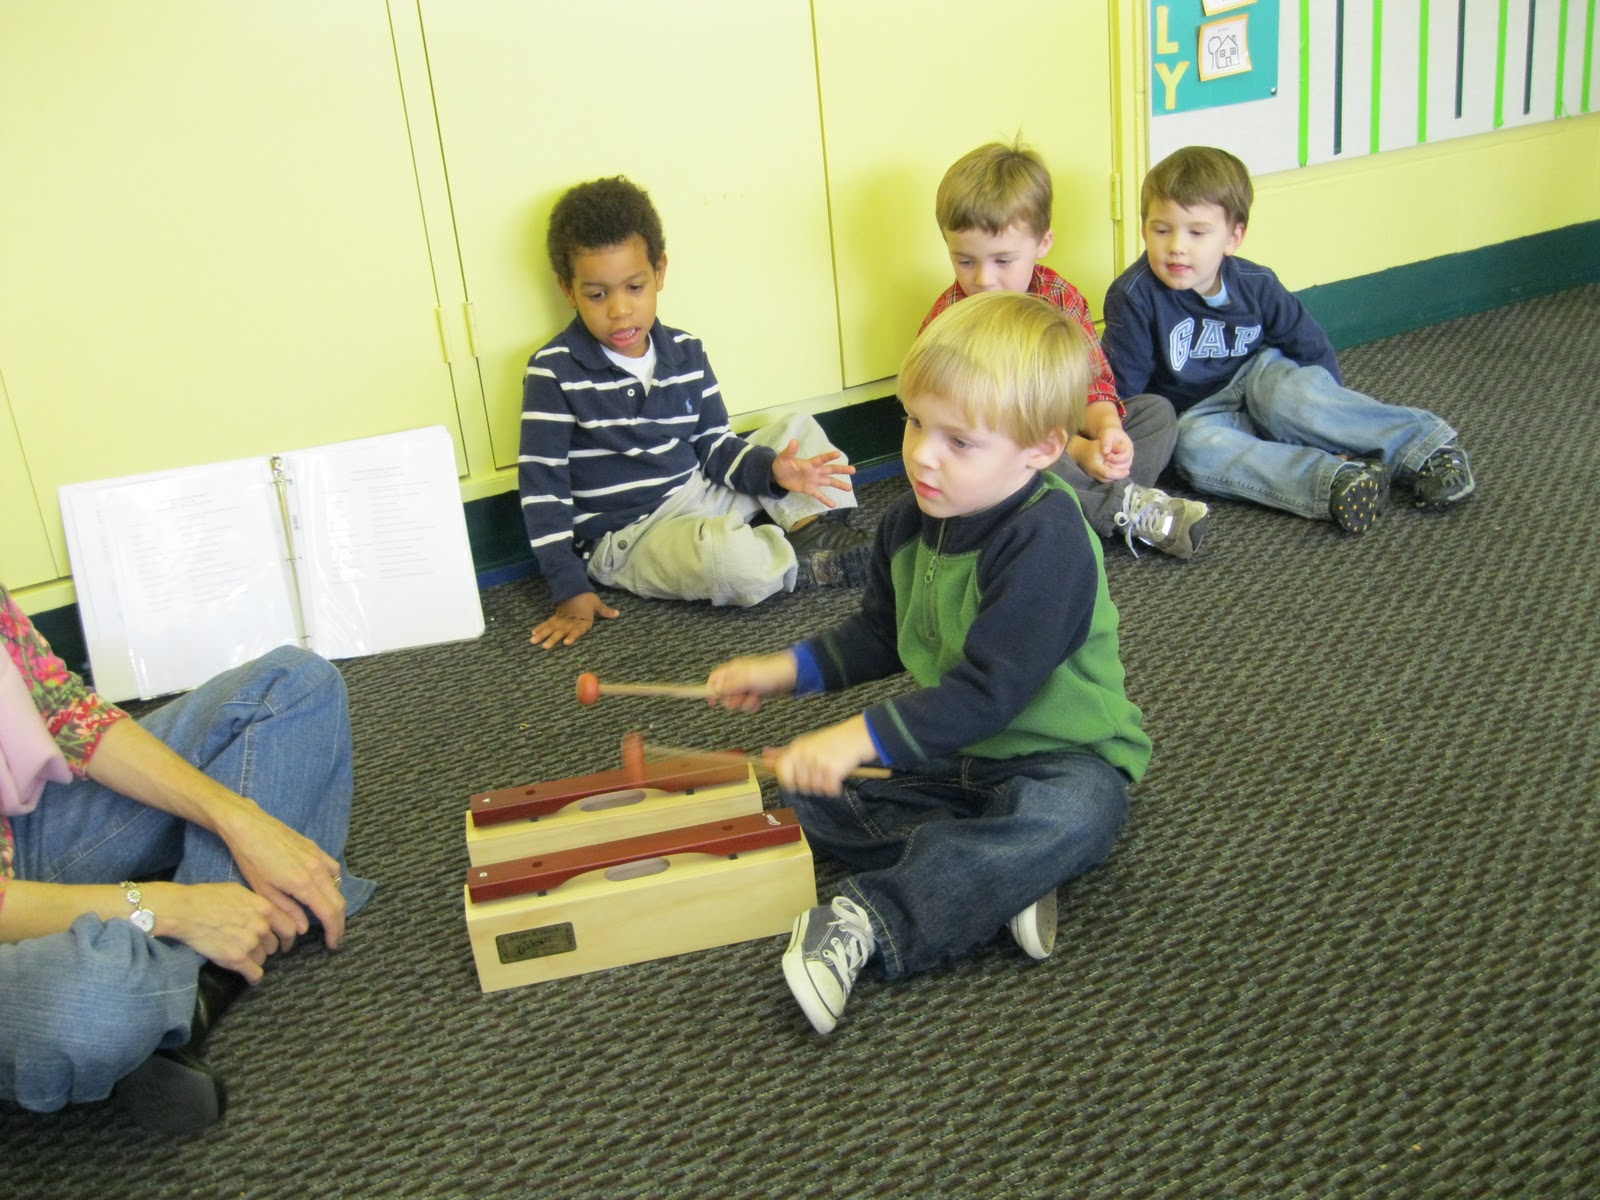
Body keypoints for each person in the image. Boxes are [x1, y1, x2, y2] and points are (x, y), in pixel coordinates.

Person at [705, 292, 1151, 1034]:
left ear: (1041, 449)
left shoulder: (1051, 542)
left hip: (1061, 758)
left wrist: (855, 735)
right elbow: (882, 632)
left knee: (1080, 816)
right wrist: (787, 670)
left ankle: (870, 919)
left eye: (959, 441)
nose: (920, 454)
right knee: (803, 792)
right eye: (915, 422)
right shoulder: (912, 519)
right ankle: (996, 881)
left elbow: (987, 692)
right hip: (950, 758)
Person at [0, 582, 374, 1134]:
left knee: (294, 686)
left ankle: (185, 987)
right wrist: (169, 907)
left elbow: (68, 713)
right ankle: (202, 967)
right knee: (92, 1005)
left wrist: (238, 818)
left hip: (19, 833)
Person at [520, 175, 872, 650]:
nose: (620, 310)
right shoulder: (553, 373)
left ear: (659, 272)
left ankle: (812, 531)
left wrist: (773, 470)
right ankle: (791, 557)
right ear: (568, 290)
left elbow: (714, 446)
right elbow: (544, 492)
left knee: (797, 430)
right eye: (597, 294)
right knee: (731, 563)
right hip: (634, 537)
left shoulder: (685, 351)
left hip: (700, 491)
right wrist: (569, 588)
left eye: (635, 286)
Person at [1101, 145, 1476, 532]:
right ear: (1144, 228)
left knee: (1292, 398)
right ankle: (1336, 480)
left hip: (1261, 376)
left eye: (1197, 232)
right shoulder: (1133, 297)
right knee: (1193, 451)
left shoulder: (1256, 283)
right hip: (1199, 412)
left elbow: (1308, 346)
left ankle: (1426, 446)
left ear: (1233, 237)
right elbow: (1123, 390)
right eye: (1162, 230)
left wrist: (1326, 420)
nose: (1177, 245)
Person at [921, 138, 1207, 559]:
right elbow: (965, 428)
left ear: (1042, 243)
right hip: (1002, 452)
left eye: (1003, 261)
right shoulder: (952, 321)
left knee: (1156, 413)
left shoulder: (1060, 297)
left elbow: (1092, 381)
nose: (983, 279)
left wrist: (1107, 430)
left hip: (1067, 428)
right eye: (964, 261)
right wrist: (1074, 449)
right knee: (1025, 455)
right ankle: (1119, 510)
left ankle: (1083, 507)